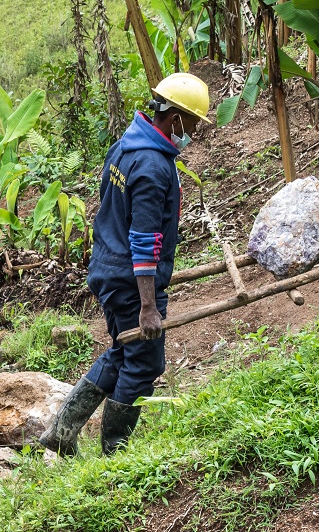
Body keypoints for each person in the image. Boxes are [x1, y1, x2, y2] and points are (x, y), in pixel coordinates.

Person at [38, 72, 210, 457]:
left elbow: (111, 207)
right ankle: (115, 452)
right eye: (193, 124)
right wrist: (148, 305)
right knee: (145, 363)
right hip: (131, 283)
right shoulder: (152, 166)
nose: (194, 132)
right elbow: (144, 239)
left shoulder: (126, 145)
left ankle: (61, 433)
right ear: (176, 117)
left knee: (123, 349)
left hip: (107, 267)